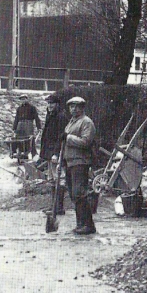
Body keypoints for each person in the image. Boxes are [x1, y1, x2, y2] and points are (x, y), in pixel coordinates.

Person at [63, 96, 97, 235]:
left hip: (80, 161)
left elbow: (86, 141)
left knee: (79, 193)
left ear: (82, 108)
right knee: (73, 194)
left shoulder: (86, 122)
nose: (74, 109)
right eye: (71, 106)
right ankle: (80, 223)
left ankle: (88, 225)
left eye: (77, 106)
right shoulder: (71, 122)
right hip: (70, 161)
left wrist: (68, 138)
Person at [40, 94, 69, 214]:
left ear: (57, 104)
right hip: (49, 152)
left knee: (59, 178)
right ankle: (54, 206)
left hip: (55, 153)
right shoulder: (50, 115)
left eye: (52, 103)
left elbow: (61, 137)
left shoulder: (61, 117)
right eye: (48, 103)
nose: (49, 106)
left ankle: (59, 208)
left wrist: (56, 154)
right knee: (52, 179)